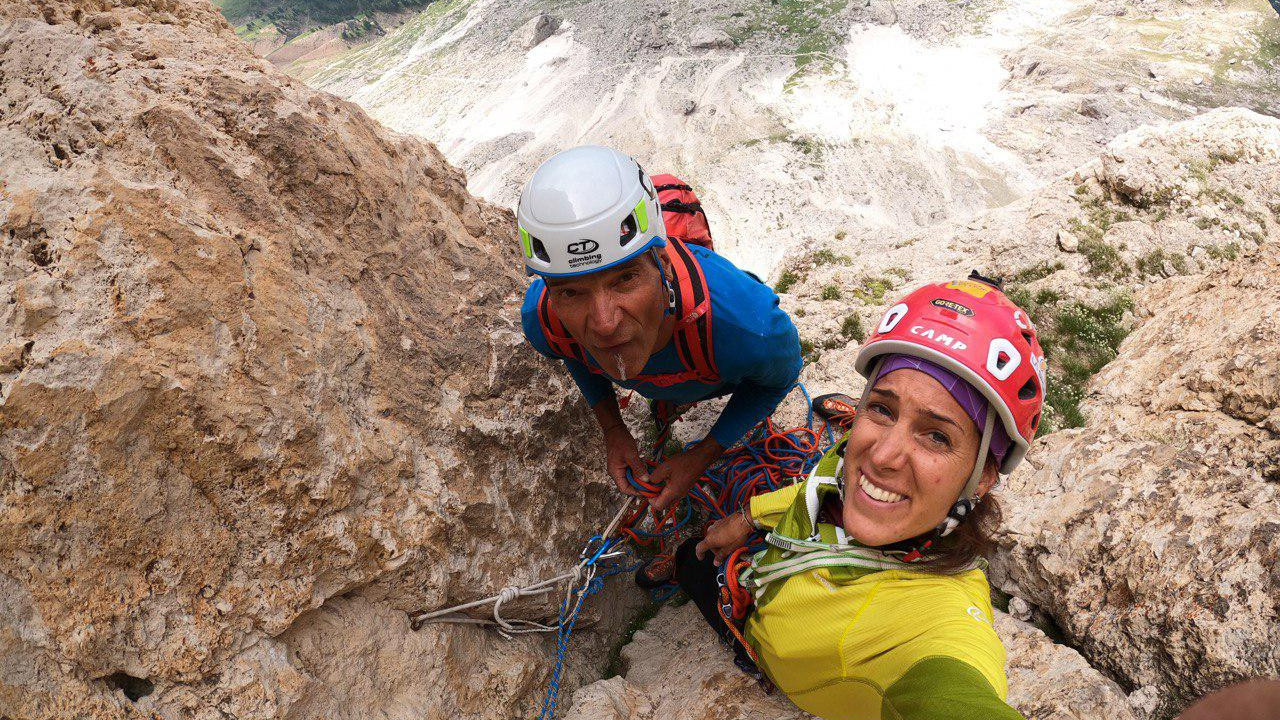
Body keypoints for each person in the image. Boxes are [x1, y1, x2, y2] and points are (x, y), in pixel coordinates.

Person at [678, 274, 1047, 720]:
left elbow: (955, 692)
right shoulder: (846, 462)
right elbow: (822, 483)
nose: (883, 455)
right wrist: (748, 516)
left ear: (983, 475)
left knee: (688, 562)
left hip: (766, 644)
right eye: (882, 408)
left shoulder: (933, 624)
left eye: (935, 436)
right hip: (775, 569)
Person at [518, 145, 802, 512]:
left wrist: (703, 454)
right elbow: (568, 348)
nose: (604, 324)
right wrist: (613, 429)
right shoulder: (543, 319)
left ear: (663, 265)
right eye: (572, 292)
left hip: (717, 361)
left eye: (625, 279)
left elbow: (780, 378)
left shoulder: (747, 328)